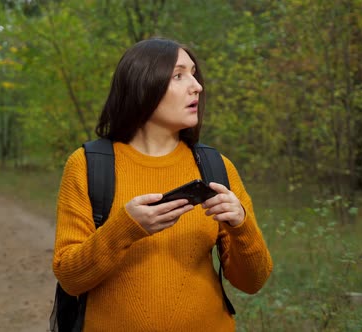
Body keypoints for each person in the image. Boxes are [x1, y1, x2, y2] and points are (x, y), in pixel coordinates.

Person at [52, 38, 273, 331]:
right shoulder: (88, 165)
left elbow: (253, 282)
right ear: (142, 86)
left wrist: (241, 225)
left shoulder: (216, 166)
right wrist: (126, 228)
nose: (197, 86)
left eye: (194, 74)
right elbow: (70, 278)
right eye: (179, 75)